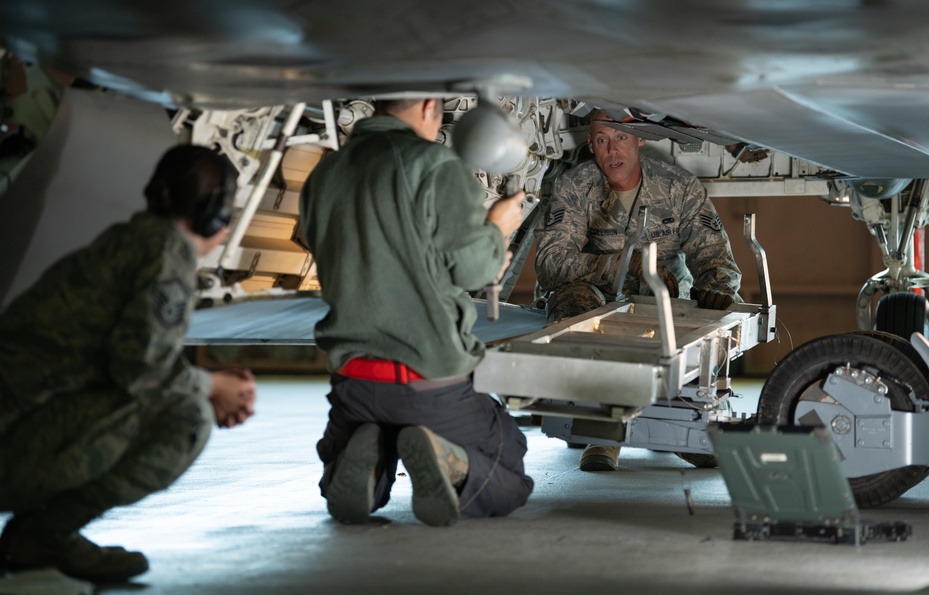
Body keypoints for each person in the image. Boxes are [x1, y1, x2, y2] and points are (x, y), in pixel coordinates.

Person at [0, 144, 257, 581]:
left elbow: (127, 356)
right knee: (187, 418)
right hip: (12, 439)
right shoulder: (168, 254)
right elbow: (141, 370)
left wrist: (204, 379)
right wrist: (211, 388)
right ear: (213, 214)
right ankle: (46, 534)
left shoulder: (133, 240)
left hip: (19, 423)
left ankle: (40, 534)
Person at [299, 97, 534, 527]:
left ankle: (362, 471)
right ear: (429, 107)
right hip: (430, 385)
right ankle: (451, 464)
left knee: (357, 448)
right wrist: (497, 229)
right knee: (511, 467)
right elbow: (472, 271)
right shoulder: (436, 165)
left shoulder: (325, 173)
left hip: (353, 382)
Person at [535, 110, 741, 471]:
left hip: (662, 300)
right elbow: (552, 262)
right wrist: (623, 264)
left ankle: (684, 421)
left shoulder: (679, 187)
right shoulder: (575, 186)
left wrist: (716, 289)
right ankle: (604, 433)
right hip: (596, 299)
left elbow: (713, 254)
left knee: (719, 316)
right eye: (602, 140)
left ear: (640, 139)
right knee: (575, 305)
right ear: (591, 145)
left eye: (621, 138)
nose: (612, 150)